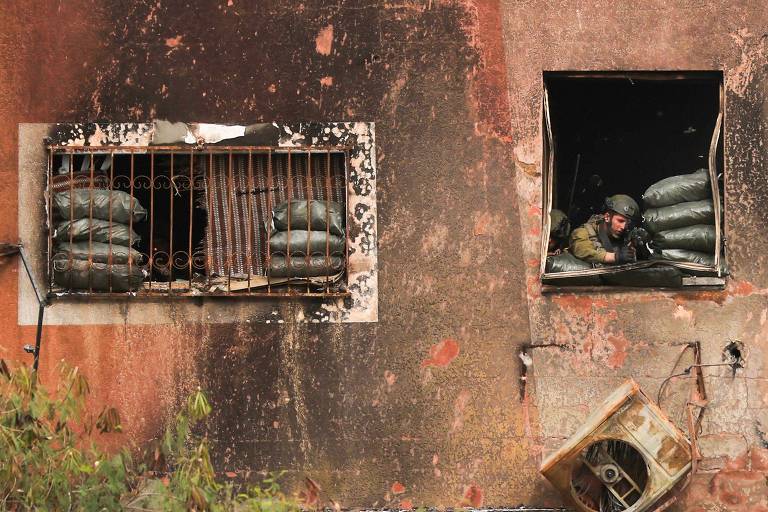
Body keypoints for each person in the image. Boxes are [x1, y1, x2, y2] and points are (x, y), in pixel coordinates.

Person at [570, 194, 640, 265]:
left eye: (627, 223)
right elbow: (582, 251)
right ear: (607, 217)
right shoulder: (583, 232)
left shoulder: (626, 237)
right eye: (620, 221)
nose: (623, 227)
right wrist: (615, 257)